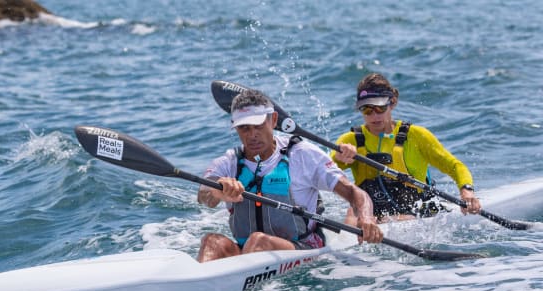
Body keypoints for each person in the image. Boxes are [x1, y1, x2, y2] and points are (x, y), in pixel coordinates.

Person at [197, 89, 383, 262]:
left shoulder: (302, 154)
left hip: (303, 247)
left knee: (259, 241)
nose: (252, 134)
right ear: (235, 127)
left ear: (274, 119)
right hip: (247, 249)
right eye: (244, 128)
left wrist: (366, 217)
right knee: (212, 242)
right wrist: (217, 191)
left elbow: (354, 192)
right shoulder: (229, 162)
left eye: (258, 125)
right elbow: (204, 193)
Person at [331, 73, 482, 223]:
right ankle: (349, 240)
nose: (374, 116)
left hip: (416, 210)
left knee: (381, 218)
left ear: (393, 102)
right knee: (353, 210)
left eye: (380, 108)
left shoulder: (416, 135)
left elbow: (454, 166)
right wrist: (339, 158)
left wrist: (466, 192)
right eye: (367, 110)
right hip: (372, 212)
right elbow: (324, 171)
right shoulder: (349, 141)